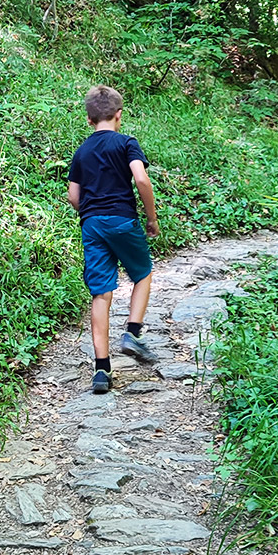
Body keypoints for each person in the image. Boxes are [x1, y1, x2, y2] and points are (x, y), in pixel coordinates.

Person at [67, 85, 160, 393]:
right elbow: (141, 179)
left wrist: (93, 213)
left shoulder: (82, 151)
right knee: (142, 273)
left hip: (91, 224)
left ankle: (101, 370)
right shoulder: (126, 143)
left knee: (101, 294)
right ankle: (133, 332)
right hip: (123, 219)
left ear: (89, 119)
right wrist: (151, 218)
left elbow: (73, 196)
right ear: (119, 116)